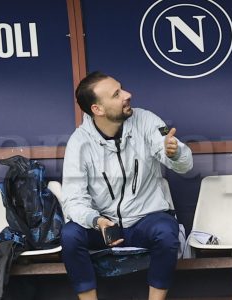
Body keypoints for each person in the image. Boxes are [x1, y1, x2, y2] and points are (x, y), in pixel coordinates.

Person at [61, 71, 193, 300]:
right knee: (70, 235)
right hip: (104, 226)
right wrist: (97, 220)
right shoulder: (79, 142)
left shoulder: (147, 121)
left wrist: (175, 153)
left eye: (122, 88)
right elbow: (73, 199)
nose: (127, 95)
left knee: (166, 230)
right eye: (116, 94)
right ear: (97, 109)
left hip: (145, 219)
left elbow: (184, 164)